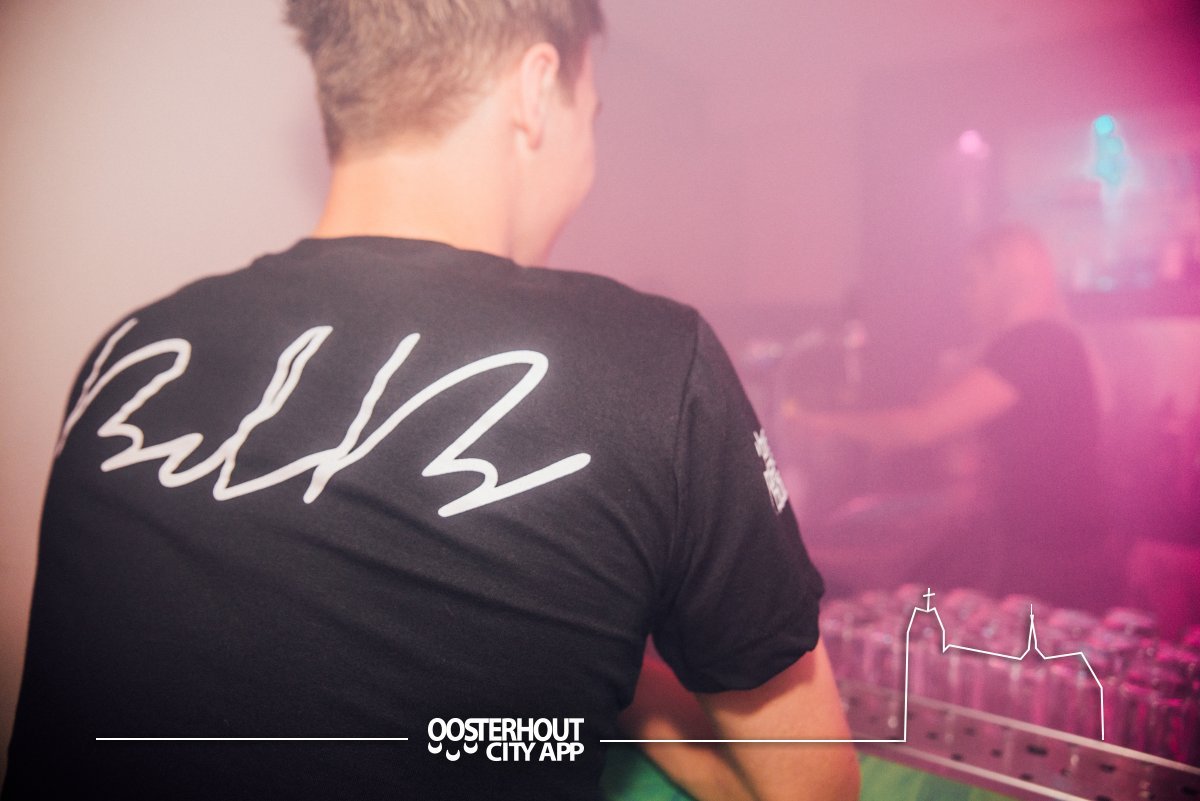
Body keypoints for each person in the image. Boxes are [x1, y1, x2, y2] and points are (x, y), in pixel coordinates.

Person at [3, 2, 858, 800]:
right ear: (535, 92)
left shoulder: (129, 357)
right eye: (591, 117)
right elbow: (811, 785)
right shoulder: (652, 365)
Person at [786, 225, 1108, 609]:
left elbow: (922, 426)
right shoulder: (1046, 340)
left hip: (1050, 555)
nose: (964, 295)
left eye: (972, 281)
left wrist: (825, 423)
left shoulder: (1034, 344)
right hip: (1051, 546)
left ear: (1005, 282)